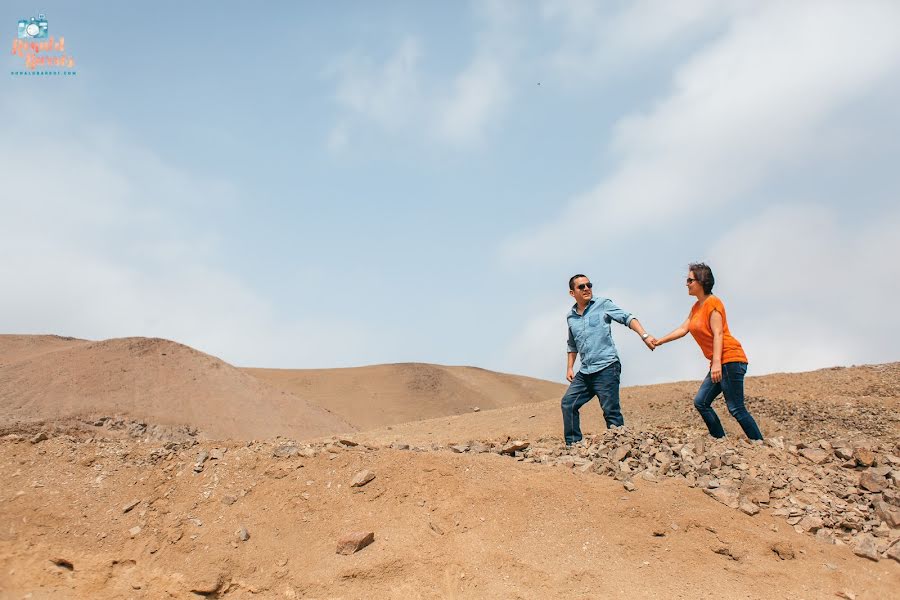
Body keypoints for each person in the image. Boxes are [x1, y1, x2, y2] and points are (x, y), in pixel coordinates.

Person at [653, 263, 763, 440]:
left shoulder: (713, 302)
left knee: (736, 408)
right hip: (719, 361)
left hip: (730, 358)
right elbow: (683, 329)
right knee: (701, 402)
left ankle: (760, 444)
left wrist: (717, 363)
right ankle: (720, 441)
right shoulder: (697, 307)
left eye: (690, 280)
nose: (686, 284)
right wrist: (659, 341)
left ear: (701, 281)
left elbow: (718, 333)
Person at [561, 274, 656, 446]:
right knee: (568, 403)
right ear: (572, 292)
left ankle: (621, 448)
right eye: (581, 287)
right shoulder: (571, 317)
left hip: (607, 367)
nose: (586, 288)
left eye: (588, 285)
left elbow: (628, 318)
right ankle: (573, 445)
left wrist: (644, 335)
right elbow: (572, 344)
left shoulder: (603, 304)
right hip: (586, 371)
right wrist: (569, 367)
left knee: (610, 411)